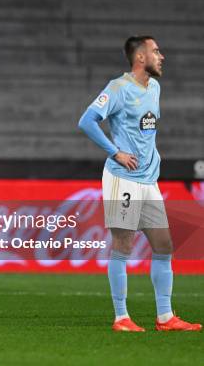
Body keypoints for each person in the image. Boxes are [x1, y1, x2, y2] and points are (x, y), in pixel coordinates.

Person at [78, 36, 201, 332]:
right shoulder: (118, 88)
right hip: (123, 179)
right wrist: (115, 152)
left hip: (149, 181)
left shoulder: (155, 87)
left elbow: (145, 132)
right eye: (156, 51)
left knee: (163, 245)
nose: (162, 56)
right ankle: (121, 317)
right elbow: (86, 121)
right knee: (123, 246)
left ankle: (165, 317)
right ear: (141, 57)